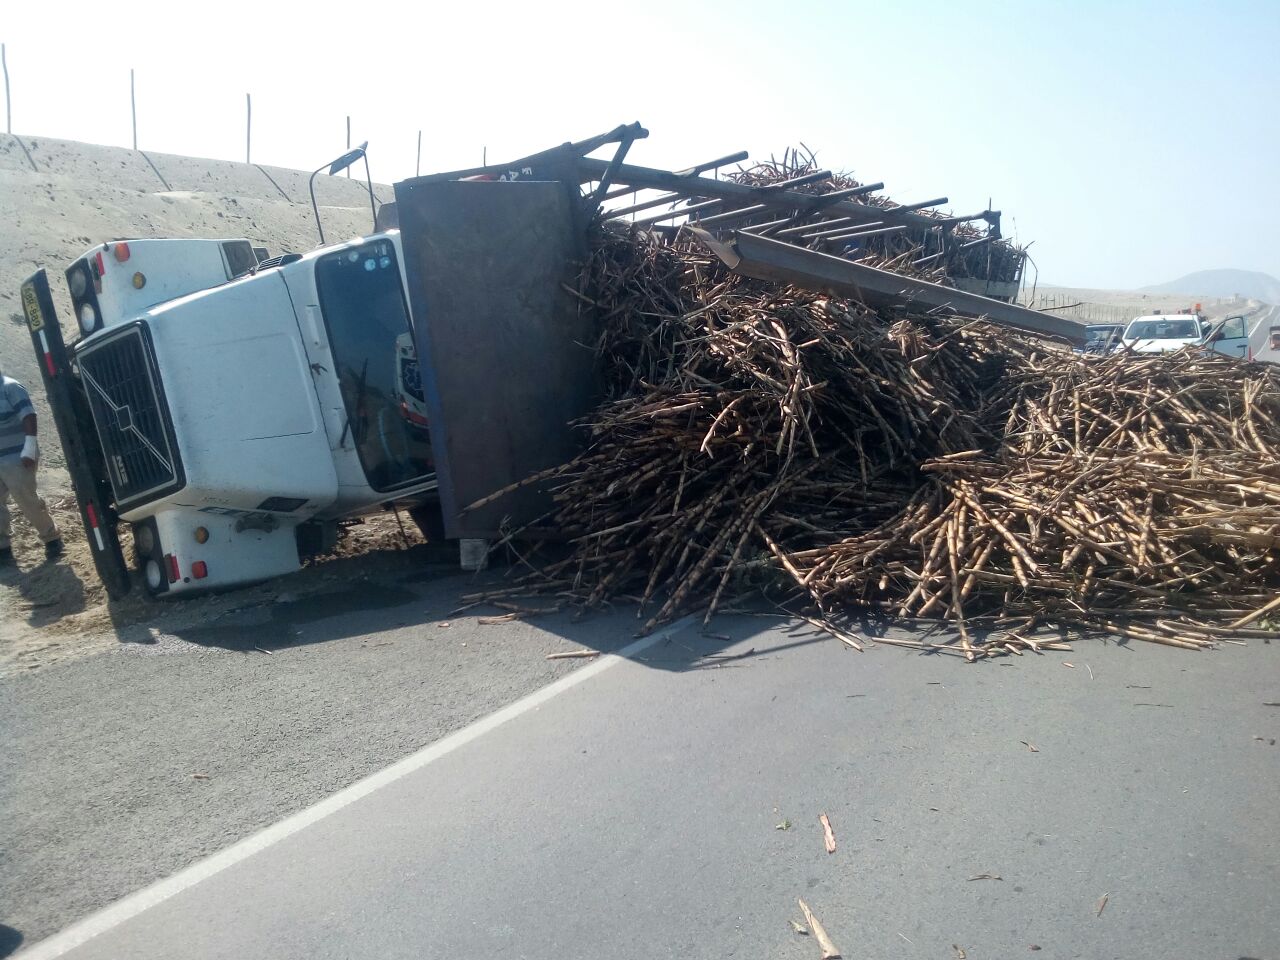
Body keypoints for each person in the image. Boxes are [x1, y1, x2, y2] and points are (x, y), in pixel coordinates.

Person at [0, 365, 63, 566]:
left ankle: (51, 537)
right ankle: (3, 548)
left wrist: (29, 448)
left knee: (26, 499)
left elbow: (29, 416)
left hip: (16, 457)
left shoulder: (10, 387)